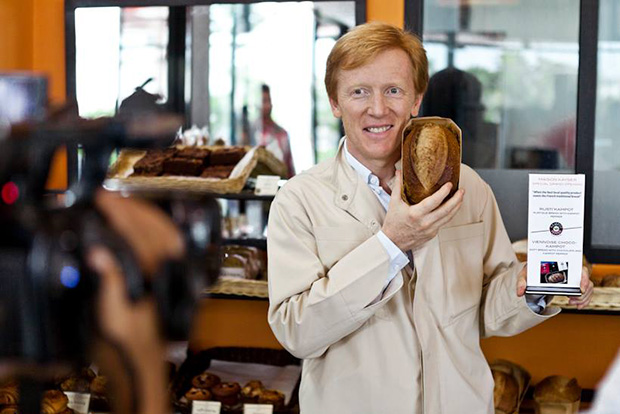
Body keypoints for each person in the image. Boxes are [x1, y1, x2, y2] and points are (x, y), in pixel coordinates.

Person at [266, 22, 594, 414]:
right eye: (359, 92)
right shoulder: (299, 200)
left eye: (393, 90)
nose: (378, 108)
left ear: (416, 99)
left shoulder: (467, 186)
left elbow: (488, 311)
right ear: (335, 102)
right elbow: (296, 330)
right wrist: (391, 243)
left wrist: (536, 286)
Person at [254, 84, 295, 177]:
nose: (267, 105)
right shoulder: (251, 132)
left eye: (269, 100)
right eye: (263, 101)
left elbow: (289, 169)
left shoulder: (281, 134)